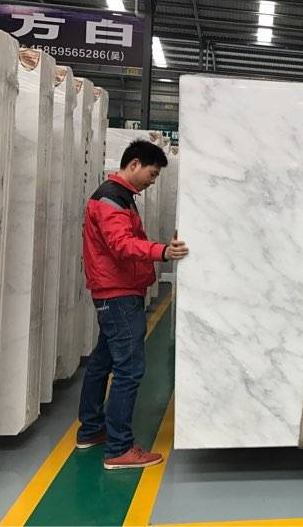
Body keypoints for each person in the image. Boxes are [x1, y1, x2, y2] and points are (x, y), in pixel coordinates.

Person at [76, 139, 189, 469]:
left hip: (116, 291)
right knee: (129, 369)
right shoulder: (111, 199)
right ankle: (119, 449)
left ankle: (91, 430)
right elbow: (122, 244)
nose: (153, 181)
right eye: (152, 174)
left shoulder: (119, 196)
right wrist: (162, 252)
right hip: (119, 293)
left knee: (102, 362)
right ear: (135, 164)